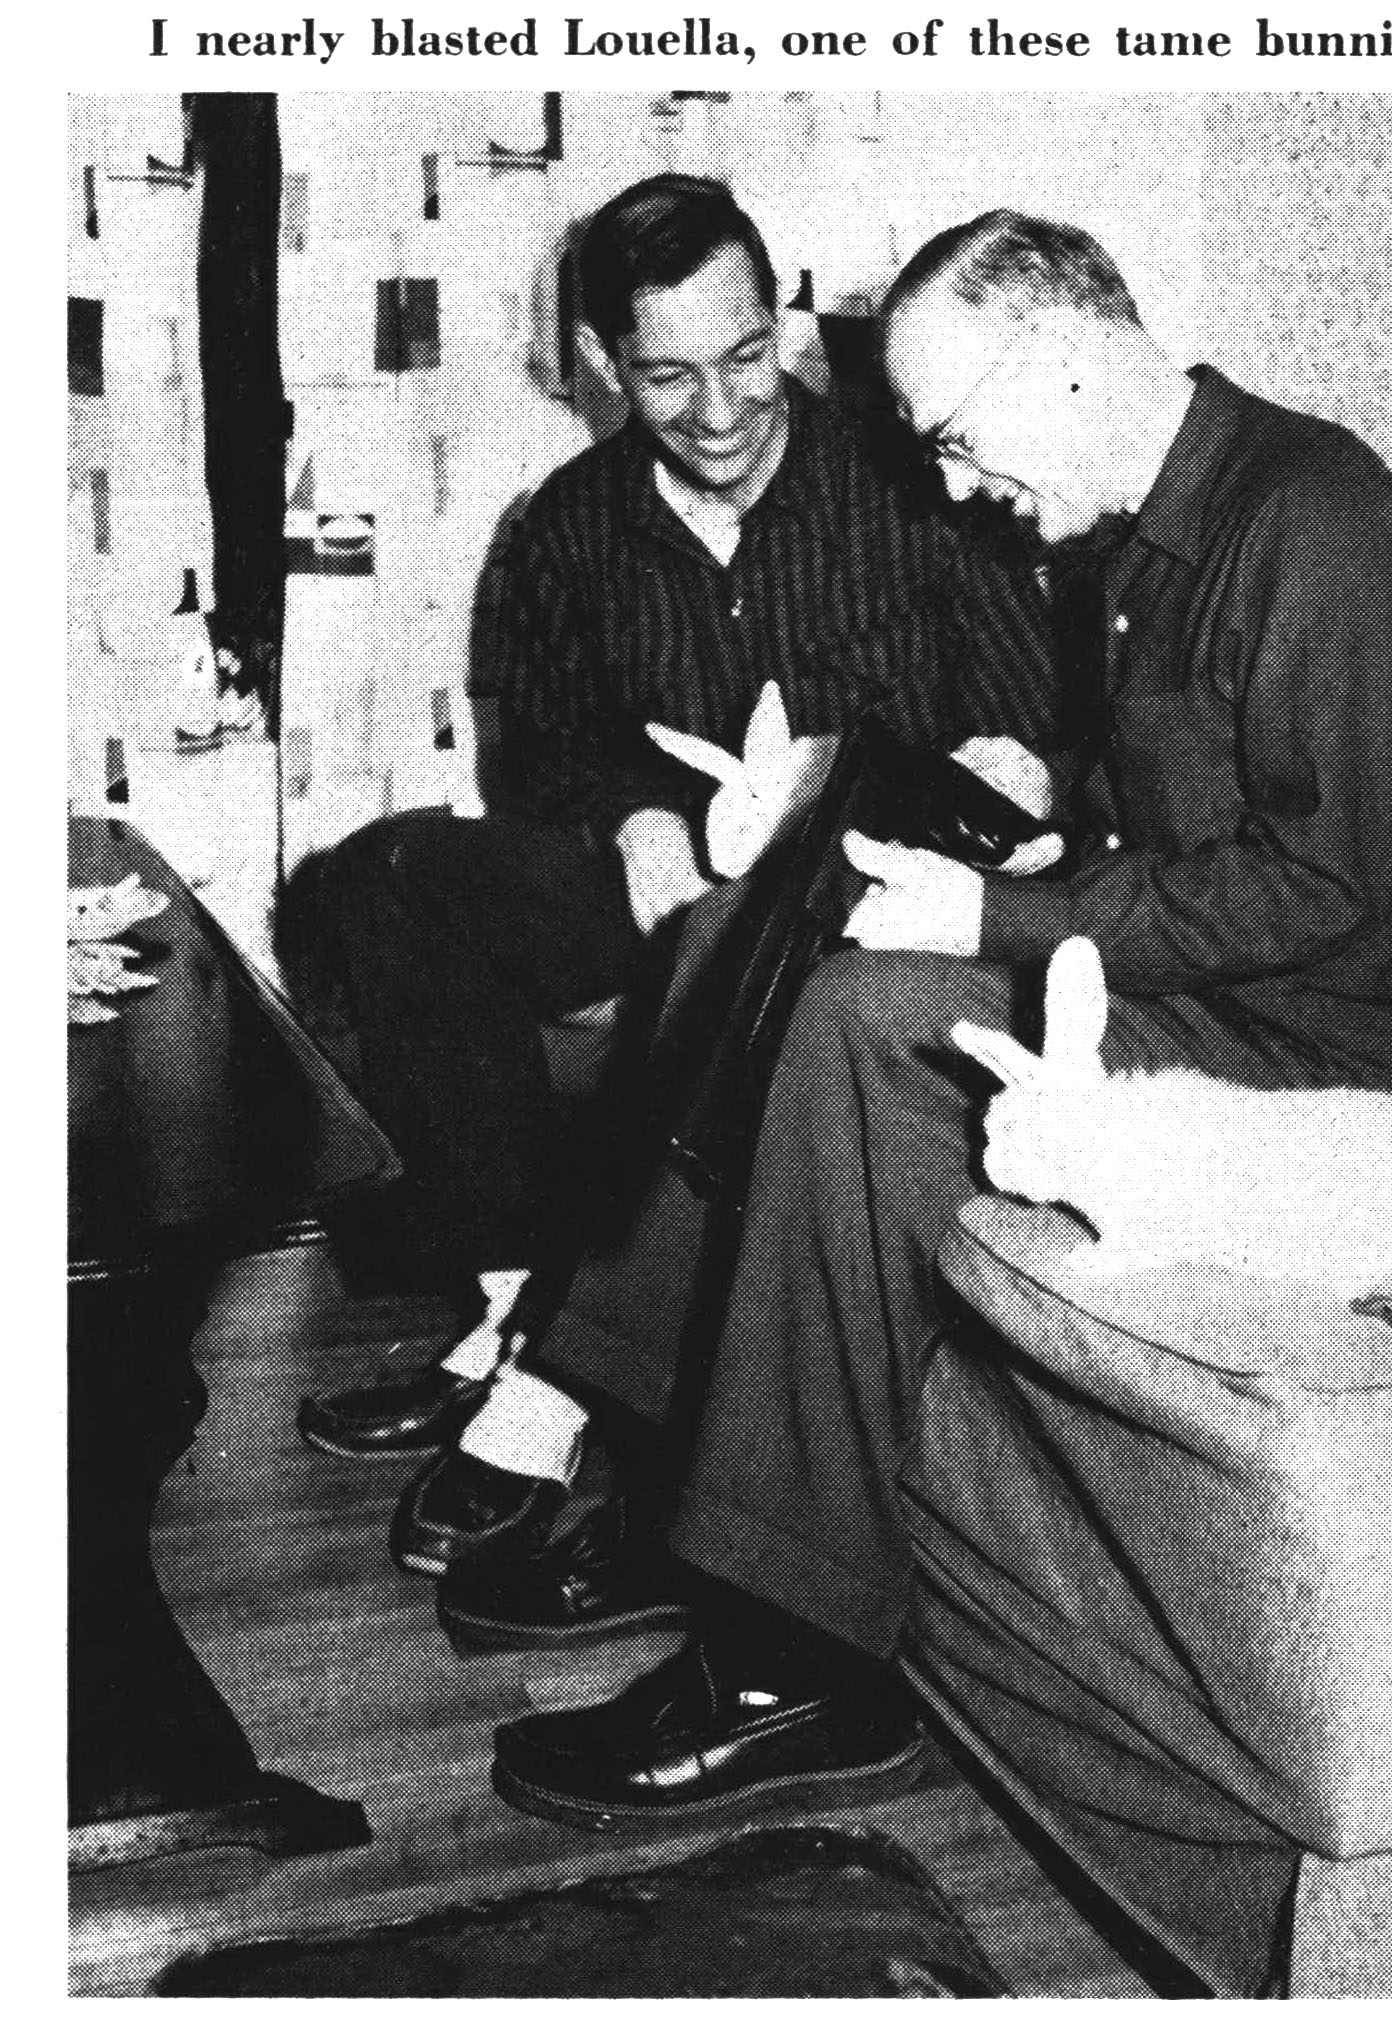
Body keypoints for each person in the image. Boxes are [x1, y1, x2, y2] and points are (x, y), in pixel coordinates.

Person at [475, 209, 1392, 1831]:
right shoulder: (1143, 534)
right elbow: (1160, 799)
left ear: (1069, 361)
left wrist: (1000, 913)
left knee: (863, 1019)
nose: (950, 487)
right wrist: (1036, 833)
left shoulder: (1319, 522)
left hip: (1327, 1057)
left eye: (955, 439)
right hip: (1176, 993)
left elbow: (1337, 888)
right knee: (777, 921)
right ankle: (652, 1456)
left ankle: (796, 1648)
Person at [291, 179, 1060, 1579]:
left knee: (749, 919)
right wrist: (632, 812)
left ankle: (550, 1379)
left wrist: (984, 773)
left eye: (747, 356)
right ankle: (513, 1294)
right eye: (667, 374)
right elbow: (535, 754)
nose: (721, 409)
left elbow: (1024, 730)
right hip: (654, 893)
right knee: (383, 876)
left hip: (855, 908)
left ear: (781, 325)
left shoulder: (921, 488)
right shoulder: (567, 528)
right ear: (600, 367)